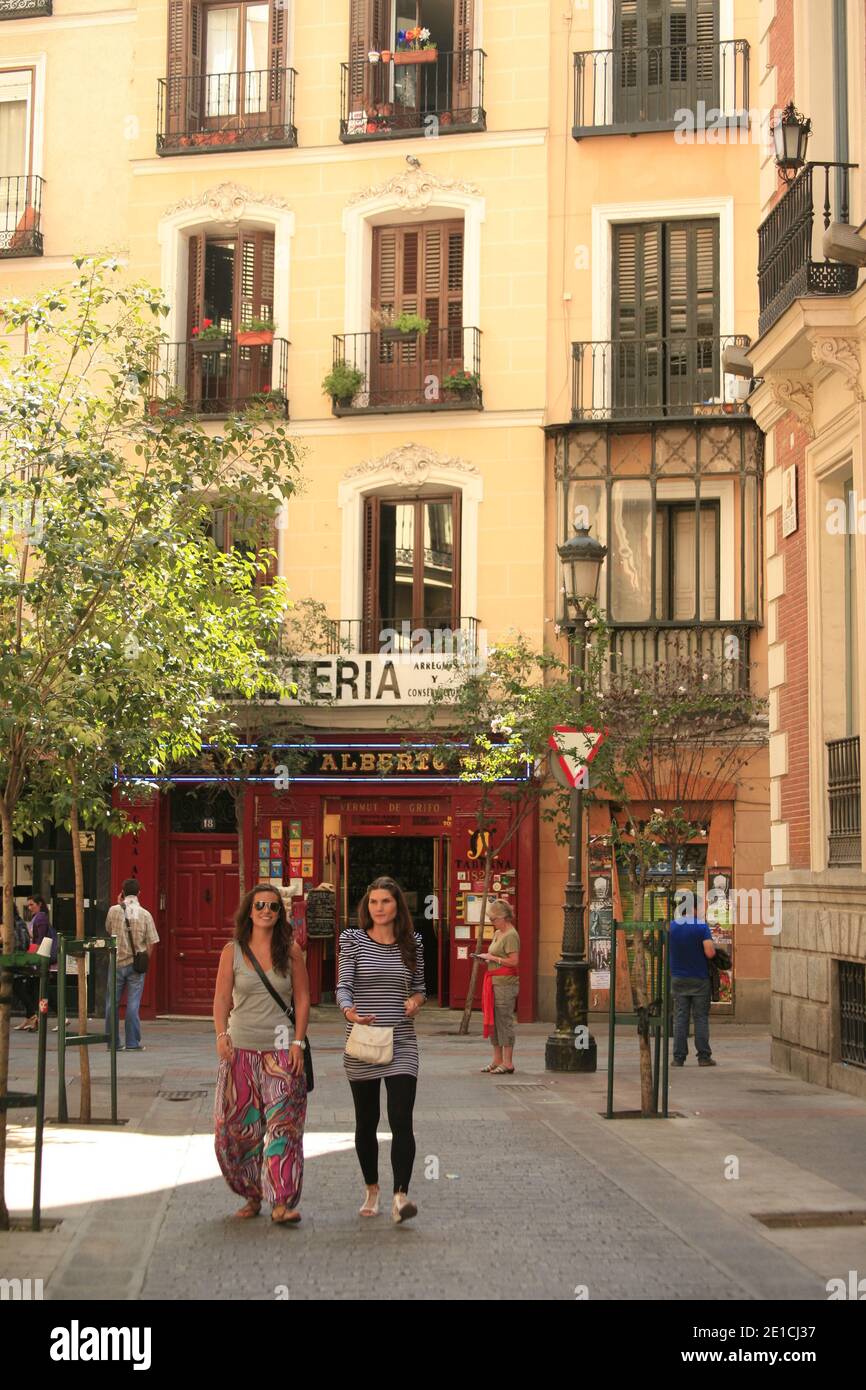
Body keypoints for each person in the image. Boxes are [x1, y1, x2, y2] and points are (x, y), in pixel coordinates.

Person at [213, 884, 309, 1226]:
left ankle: (281, 1201)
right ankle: (253, 1193)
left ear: (280, 913)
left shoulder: (291, 951)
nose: (266, 911)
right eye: (260, 906)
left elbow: (302, 1000)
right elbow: (222, 999)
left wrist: (298, 1043)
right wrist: (221, 1035)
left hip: (282, 1052)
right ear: (249, 912)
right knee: (238, 1129)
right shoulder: (233, 951)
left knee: (284, 1127)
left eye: (272, 906)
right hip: (240, 1051)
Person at [337, 876, 425, 1223]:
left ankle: (400, 1196)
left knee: (401, 1119)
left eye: (385, 902)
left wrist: (416, 1001)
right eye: (373, 902)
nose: (379, 908)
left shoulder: (413, 943)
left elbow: (420, 987)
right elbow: (343, 984)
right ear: (366, 907)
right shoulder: (353, 940)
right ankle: (372, 1187)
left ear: (397, 906)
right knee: (367, 1120)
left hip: (402, 1040)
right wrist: (348, 1010)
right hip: (362, 1040)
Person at [104, 879, 159, 1052]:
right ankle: (132, 1042)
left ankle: (113, 1042)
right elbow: (152, 941)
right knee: (133, 1004)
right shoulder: (145, 914)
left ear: (122, 892)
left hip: (116, 962)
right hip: (136, 965)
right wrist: (145, 959)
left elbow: (107, 929)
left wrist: (118, 903)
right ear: (139, 893)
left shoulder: (113, 911)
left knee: (111, 1003)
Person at [670, 907, 717, 1067]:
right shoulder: (701, 927)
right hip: (699, 978)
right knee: (701, 1017)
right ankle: (703, 1057)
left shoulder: (672, 926)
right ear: (693, 908)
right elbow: (710, 952)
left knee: (681, 1018)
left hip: (678, 978)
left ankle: (678, 1057)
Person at [477, 899, 520, 1075]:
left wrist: (494, 959)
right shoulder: (497, 933)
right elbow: (496, 955)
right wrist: (487, 958)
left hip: (505, 984)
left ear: (504, 917)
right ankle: (497, 1059)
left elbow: (514, 961)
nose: (491, 922)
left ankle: (508, 1062)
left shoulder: (511, 935)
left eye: (493, 919)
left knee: (504, 1021)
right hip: (493, 981)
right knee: (493, 1020)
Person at [16, 897, 56, 1031]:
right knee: (34, 988)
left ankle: (60, 1016)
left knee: (42, 989)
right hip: (38, 957)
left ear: (39, 904)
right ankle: (34, 1017)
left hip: (40, 958)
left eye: (32, 904)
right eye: (28, 905)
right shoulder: (37, 918)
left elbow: (41, 939)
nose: (29, 907)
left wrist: (35, 957)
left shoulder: (40, 918)